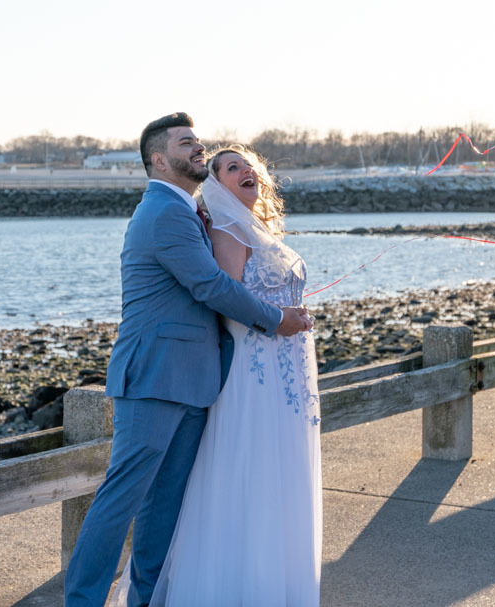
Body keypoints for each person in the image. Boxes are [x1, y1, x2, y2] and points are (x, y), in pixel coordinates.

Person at [64, 114, 312, 607]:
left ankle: (147, 599)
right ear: (159, 159)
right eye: (186, 143)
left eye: (197, 141)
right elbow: (210, 285)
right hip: (155, 376)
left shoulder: (193, 211)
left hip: (196, 381)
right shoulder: (163, 212)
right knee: (121, 500)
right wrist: (274, 319)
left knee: (164, 509)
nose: (198, 148)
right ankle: (83, 601)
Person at [143, 144, 322, 606]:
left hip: (288, 375)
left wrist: (292, 316)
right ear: (217, 183)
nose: (246, 171)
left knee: (283, 472)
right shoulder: (225, 230)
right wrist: (280, 317)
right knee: (254, 470)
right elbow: (228, 306)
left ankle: (277, 582)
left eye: (249, 166)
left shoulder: (258, 230)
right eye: (231, 167)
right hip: (254, 372)